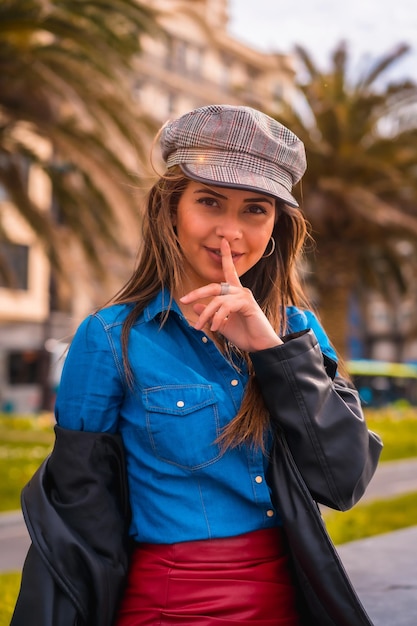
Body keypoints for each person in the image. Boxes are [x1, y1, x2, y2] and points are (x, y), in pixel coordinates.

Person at [11, 104, 382, 626]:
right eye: (210, 202)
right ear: (170, 208)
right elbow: (78, 516)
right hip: (174, 607)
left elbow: (342, 481)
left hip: (294, 599)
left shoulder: (298, 331)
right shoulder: (109, 339)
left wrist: (271, 351)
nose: (230, 231)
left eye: (255, 209)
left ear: (276, 224)